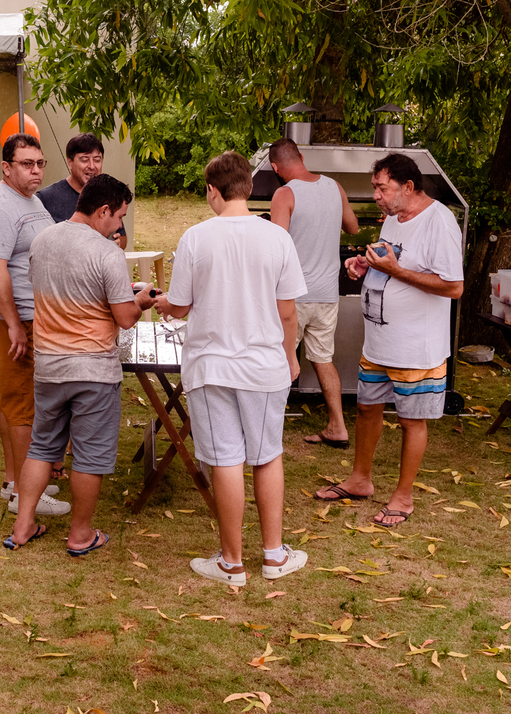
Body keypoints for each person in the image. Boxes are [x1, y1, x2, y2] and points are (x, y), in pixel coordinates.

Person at [152, 151, 308, 585]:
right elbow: (288, 312)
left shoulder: (196, 238)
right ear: (250, 187)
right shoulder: (277, 238)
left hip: (211, 366)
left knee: (225, 461)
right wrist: (291, 356)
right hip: (264, 366)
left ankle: (231, 562)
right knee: (267, 456)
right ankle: (274, 556)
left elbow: (180, 306)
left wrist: (163, 302)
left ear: (212, 191)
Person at [6, 174, 156, 553]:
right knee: (89, 455)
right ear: (102, 210)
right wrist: (140, 301)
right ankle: (81, 535)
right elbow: (123, 317)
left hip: (49, 365)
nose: (120, 225)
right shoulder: (106, 252)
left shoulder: (42, 241)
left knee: (42, 447)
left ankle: (23, 527)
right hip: (93, 370)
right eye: (119, 216)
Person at [316, 153, 463, 527]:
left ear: (408, 187)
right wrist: (365, 265)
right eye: (375, 188)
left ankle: (403, 496)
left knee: (411, 421)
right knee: (367, 409)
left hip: (416, 347)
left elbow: (453, 286)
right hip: (379, 343)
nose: (376, 195)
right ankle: (360, 479)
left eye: (382, 188)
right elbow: (392, 261)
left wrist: (394, 270)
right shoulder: (395, 220)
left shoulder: (439, 223)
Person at [0, 133, 69, 517]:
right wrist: (14, 324)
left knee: (12, 400)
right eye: (27, 164)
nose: (36, 170)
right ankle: (24, 494)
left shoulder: (30, 200)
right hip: (14, 320)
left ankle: (15, 480)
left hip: (34, 317)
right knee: (22, 405)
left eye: (40, 163)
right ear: (6, 167)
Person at [268, 138, 360, 448]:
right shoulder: (334, 186)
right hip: (327, 293)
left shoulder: (284, 193)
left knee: (279, 358)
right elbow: (354, 227)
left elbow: (277, 246)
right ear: (302, 157)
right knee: (323, 359)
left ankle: (267, 428)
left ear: (275, 167)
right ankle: (337, 426)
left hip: (294, 295)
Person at [36, 133, 127, 249]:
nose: (92, 166)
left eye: (97, 160)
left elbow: (122, 236)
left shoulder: (109, 195)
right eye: (85, 160)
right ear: (70, 162)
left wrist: (119, 242)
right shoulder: (46, 198)